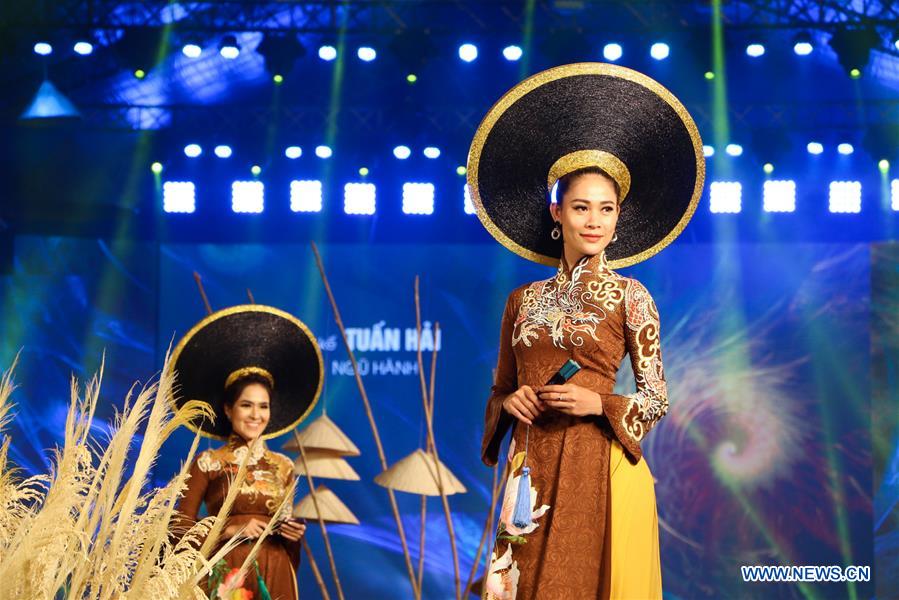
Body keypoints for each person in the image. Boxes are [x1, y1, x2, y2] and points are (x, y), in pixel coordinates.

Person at [467, 63, 705, 599]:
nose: (594, 221)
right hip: (529, 464)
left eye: (606, 209)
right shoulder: (522, 300)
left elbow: (658, 397)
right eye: (580, 208)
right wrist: (510, 405)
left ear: (619, 216)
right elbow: (499, 390)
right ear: (557, 212)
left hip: (597, 462)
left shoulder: (631, 296)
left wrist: (601, 405)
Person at [171, 305, 325, 600]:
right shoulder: (208, 462)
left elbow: (290, 543)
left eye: (263, 406)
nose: (256, 415)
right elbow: (179, 532)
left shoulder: (283, 466)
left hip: (276, 571)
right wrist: (230, 528)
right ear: (228, 409)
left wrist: (294, 536)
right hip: (228, 574)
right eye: (246, 405)